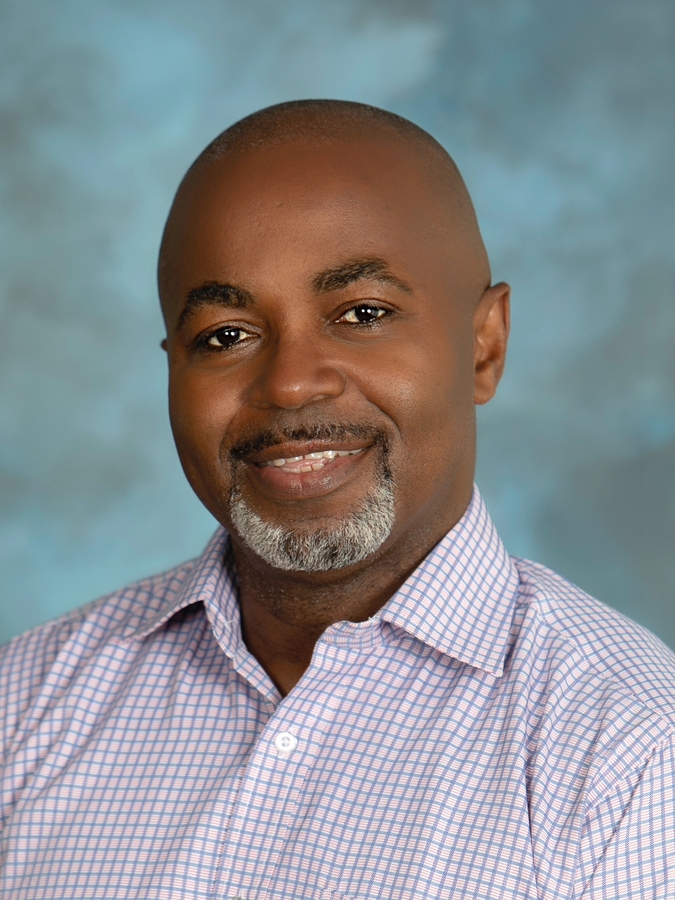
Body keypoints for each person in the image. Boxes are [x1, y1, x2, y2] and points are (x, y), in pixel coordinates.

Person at [0, 100, 673, 900]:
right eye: (225, 335)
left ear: (483, 345)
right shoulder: (26, 702)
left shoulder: (633, 753)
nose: (289, 384)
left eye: (362, 314)